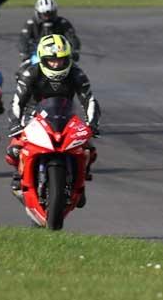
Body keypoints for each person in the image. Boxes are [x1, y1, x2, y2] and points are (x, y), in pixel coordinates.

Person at [6, 35, 100, 201]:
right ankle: (18, 177)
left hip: (66, 115)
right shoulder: (30, 73)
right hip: (33, 115)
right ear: (43, 59)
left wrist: (91, 124)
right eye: (52, 61)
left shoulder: (76, 73)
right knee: (14, 150)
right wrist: (15, 124)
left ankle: (81, 182)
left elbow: (89, 100)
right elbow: (17, 102)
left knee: (89, 149)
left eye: (61, 60)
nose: (56, 64)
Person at [18, 0, 81, 67]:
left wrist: (75, 51)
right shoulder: (31, 23)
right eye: (44, 15)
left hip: (60, 53)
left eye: (50, 14)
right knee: (24, 71)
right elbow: (23, 39)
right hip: (37, 54)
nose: (47, 17)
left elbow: (72, 38)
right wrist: (25, 54)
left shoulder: (63, 23)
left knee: (75, 70)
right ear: (38, 13)